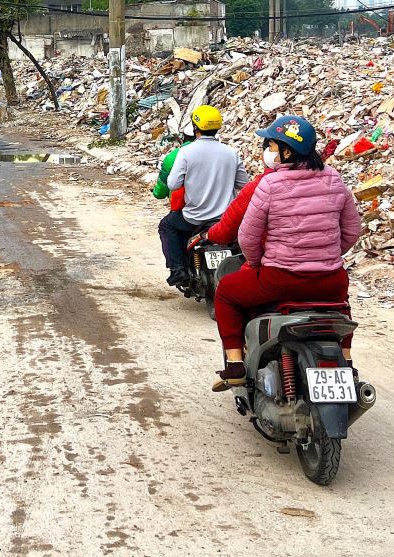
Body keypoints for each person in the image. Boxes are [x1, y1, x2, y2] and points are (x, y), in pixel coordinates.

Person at [208, 115, 360, 391]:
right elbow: (351, 231)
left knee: (227, 292)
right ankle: (346, 362)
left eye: (272, 145)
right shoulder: (334, 180)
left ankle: (235, 365)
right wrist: (326, 256)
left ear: (287, 151)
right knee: (341, 307)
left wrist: (255, 264)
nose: (268, 151)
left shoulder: (270, 184)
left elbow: (248, 237)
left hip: (281, 278)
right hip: (330, 279)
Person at [158, 105, 250, 289]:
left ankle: (178, 270)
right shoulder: (231, 153)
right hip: (226, 218)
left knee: (167, 226)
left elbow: (173, 185)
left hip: (193, 218)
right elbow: (243, 184)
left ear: (194, 127)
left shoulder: (186, 152)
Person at [151, 125, 196, 214]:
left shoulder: (173, 156)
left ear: (183, 137)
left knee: (165, 226)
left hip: (183, 209)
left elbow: (162, 189)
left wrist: (157, 192)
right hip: (216, 210)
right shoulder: (223, 153)